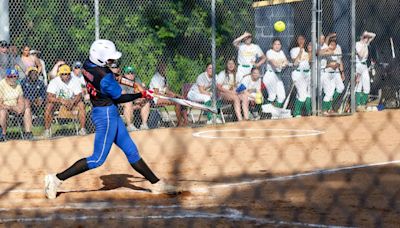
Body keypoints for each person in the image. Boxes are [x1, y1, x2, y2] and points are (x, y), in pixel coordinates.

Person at [44, 39, 177, 199]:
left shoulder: (88, 64)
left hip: (107, 112)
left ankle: (156, 184)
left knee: (132, 151)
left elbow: (116, 77)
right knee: (97, 159)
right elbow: (120, 98)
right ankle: (56, 179)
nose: (113, 61)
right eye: (109, 58)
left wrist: (134, 84)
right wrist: (141, 94)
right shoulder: (105, 77)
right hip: (106, 115)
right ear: (100, 58)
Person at [43, 64, 87, 138]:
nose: (65, 76)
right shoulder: (54, 82)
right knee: (49, 106)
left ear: (70, 74)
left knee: (81, 104)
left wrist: (72, 101)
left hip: (72, 102)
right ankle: (47, 130)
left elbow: (79, 95)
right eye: (63, 74)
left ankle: (82, 129)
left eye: (67, 74)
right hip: (58, 104)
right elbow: (49, 97)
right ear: (60, 74)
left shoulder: (75, 80)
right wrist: (60, 100)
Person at [149, 62, 188, 126]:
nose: (164, 69)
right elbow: (156, 93)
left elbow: (166, 90)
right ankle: (180, 122)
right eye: (162, 67)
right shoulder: (155, 77)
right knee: (177, 102)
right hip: (156, 98)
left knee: (181, 99)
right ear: (158, 68)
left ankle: (186, 121)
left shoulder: (164, 77)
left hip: (164, 97)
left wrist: (176, 95)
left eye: (165, 67)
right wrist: (169, 96)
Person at [0, 68, 33, 141]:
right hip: (5, 109)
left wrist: (18, 108)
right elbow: (0, 104)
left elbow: (21, 103)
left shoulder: (18, 85)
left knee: (27, 109)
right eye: (10, 76)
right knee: (2, 112)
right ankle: (3, 135)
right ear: (6, 77)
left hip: (14, 107)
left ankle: (28, 133)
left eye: (15, 76)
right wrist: (10, 107)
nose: (13, 79)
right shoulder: (1, 85)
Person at [120, 65, 150, 131]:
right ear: (124, 74)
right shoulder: (122, 81)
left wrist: (142, 98)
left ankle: (144, 125)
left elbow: (142, 91)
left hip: (135, 101)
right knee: (128, 102)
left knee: (146, 103)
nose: (130, 74)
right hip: (124, 101)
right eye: (128, 73)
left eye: (132, 72)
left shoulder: (137, 79)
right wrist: (136, 98)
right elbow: (124, 95)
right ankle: (129, 125)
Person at [320, 39, 345, 114]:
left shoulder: (337, 51)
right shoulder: (325, 51)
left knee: (341, 87)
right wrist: (330, 64)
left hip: (335, 72)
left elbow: (339, 63)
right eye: (331, 44)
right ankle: (324, 109)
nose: (332, 46)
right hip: (326, 73)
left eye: (334, 45)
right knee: (329, 92)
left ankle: (329, 106)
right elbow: (324, 65)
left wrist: (342, 72)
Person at [263, 38, 289, 108]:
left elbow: (286, 62)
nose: (277, 46)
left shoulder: (281, 52)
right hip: (270, 75)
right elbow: (274, 63)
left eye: (279, 44)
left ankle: (274, 112)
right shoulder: (269, 52)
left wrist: (283, 63)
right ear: (272, 45)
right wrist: (282, 64)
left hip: (278, 76)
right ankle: (265, 113)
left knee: (282, 96)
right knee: (272, 96)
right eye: (275, 44)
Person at [290, 35, 311, 117]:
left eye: (303, 39)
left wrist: (309, 51)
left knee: (307, 94)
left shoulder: (307, 50)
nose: (301, 40)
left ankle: (309, 112)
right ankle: (297, 113)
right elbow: (295, 63)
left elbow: (311, 60)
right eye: (299, 39)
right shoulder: (294, 50)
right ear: (296, 40)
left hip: (307, 74)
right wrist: (301, 51)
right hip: (298, 74)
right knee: (302, 94)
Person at [355, 31, 376, 111]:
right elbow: (361, 55)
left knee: (367, 86)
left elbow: (374, 35)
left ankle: (363, 104)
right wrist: (364, 43)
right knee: (358, 86)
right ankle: (358, 105)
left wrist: (366, 33)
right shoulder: (357, 44)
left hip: (364, 66)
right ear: (361, 37)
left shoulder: (366, 43)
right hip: (358, 65)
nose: (367, 39)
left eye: (367, 38)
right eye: (365, 37)